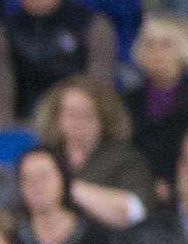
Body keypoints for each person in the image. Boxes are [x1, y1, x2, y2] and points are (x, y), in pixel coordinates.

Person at [0, 0, 117, 124]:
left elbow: (100, 93)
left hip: (79, 123)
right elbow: (2, 98)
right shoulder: (5, 31)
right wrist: (6, 133)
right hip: (23, 125)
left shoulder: (93, 25)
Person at [35, 75, 155, 230]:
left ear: (104, 118)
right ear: (56, 117)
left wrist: (66, 187)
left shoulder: (125, 158)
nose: (78, 122)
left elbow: (136, 210)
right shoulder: (43, 157)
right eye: (71, 114)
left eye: (87, 115)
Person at [126, 14, 188, 188]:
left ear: (183, 51)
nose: (156, 53)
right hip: (136, 184)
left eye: (166, 45)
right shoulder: (127, 101)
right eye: (150, 44)